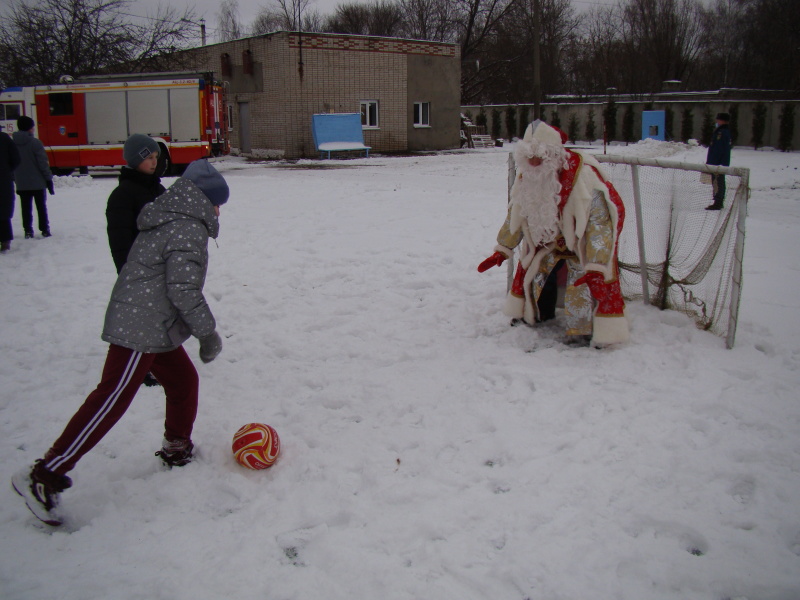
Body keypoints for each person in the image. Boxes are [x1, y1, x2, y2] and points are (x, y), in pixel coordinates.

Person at [12, 159, 229, 526]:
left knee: (182, 381)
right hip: (141, 325)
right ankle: (44, 475)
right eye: (217, 202)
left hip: (150, 320)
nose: (219, 210)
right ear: (204, 200)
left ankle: (177, 446)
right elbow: (183, 288)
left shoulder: (167, 213)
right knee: (111, 398)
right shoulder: (187, 228)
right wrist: (207, 334)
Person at [477, 120, 629, 347]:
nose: (535, 161)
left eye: (540, 156)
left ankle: (582, 330)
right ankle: (535, 314)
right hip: (546, 243)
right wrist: (503, 248)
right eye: (529, 156)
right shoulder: (527, 176)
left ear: (555, 155)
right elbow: (516, 214)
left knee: (582, 283)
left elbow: (601, 223)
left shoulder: (584, 177)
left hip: (581, 246)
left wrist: (597, 264)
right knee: (534, 274)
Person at [107, 134, 166, 273]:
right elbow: (120, 242)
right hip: (139, 268)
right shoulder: (122, 195)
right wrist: (127, 273)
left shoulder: (158, 189)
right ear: (136, 159)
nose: (154, 162)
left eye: (156, 157)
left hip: (162, 265)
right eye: (149, 157)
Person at [13, 115, 54, 238]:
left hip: (21, 183)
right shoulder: (35, 143)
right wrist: (48, 179)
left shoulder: (12, 143)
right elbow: (42, 163)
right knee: (41, 207)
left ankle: (28, 231)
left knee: (25, 208)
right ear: (30, 128)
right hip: (37, 182)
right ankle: (44, 229)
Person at [705, 112, 732, 211]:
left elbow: (719, 149)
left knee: (718, 181)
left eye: (718, 119)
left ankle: (718, 201)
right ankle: (717, 200)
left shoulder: (722, 132)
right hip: (716, 162)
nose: (717, 121)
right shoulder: (721, 131)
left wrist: (715, 162)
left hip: (718, 163)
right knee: (716, 181)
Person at [0, 129, 21, 252]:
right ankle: (5, 240)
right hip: (3, 180)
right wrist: (7, 170)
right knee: (3, 210)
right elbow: (16, 159)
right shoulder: (4, 138)